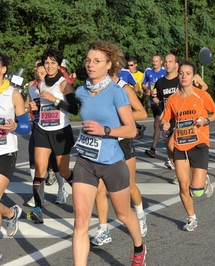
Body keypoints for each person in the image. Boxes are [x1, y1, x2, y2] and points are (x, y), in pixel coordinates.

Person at [73, 41, 146, 265]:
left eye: (96, 61)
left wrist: (105, 130)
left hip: (113, 162)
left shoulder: (117, 92)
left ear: (109, 65)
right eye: (88, 60)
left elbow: (131, 129)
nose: (90, 65)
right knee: (81, 222)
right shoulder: (81, 91)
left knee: (123, 215)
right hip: (85, 162)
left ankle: (139, 248)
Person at [91, 57, 149, 246]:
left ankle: (140, 215)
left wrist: (117, 117)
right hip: (102, 142)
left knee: (130, 186)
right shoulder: (95, 88)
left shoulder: (125, 88)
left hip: (122, 141)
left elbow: (142, 113)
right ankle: (103, 229)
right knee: (100, 188)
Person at [161, 60, 215, 231]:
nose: (184, 76)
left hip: (199, 143)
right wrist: (163, 125)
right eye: (181, 73)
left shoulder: (201, 96)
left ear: (194, 76)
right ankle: (191, 218)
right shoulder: (173, 99)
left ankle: (202, 182)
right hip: (180, 146)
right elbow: (165, 119)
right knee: (182, 184)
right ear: (178, 75)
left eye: (188, 73)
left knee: (196, 191)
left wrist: (207, 120)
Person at [26, 48, 78, 224]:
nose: (49, 66)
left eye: (52, 63)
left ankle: (81, 197)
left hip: (60, 131)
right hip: (42, 129)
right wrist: (36, 108)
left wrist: (54, 99)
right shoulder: (39, 84)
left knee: (63, 171)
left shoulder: (64, 84)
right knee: (40, 169)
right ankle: (37, 209)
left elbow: (74, 108)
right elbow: (45, 108)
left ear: (58, 65)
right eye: (46, 62)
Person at [0, 53, 31, 237]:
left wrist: (15, 126)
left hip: (6, 152)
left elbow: (25, 126)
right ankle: (11, 214)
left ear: (4, 69)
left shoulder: (13, 94)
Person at [26, 62, 65, 207]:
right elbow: (33, 110)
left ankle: (62, 189)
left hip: (55, 129)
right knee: (33, 163)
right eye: (38, 73)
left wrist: (50, 100)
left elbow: (67, 107)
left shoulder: (55, 88)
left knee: (57, 164)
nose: (40, 75)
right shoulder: (31, 90)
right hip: (38, 128)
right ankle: (37, 194)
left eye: (43, 73)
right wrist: (33, 109)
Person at [151, 53, 180, 171]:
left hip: (180, 118)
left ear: (176, 65)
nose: (167, 64)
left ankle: (183, 171)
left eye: (170, 62)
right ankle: (178, 172)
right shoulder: (160, 82)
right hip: (166, 119)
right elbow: (158, 100)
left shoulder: (181, 80)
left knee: (172, 145)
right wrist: (153, 97)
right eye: (166, 62)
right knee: (170, 150)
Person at [142, 55, 167, 158]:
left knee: (158, 124)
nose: (155, 63)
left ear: (160, 62)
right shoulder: (148, 71)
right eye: (153, 61)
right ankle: (154, 148)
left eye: (157, 61)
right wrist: (147, 90)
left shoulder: (165, 71)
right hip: (153, 102)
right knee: (156, 125)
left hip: (163, 102)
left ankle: (153, 148)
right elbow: (143, 84)